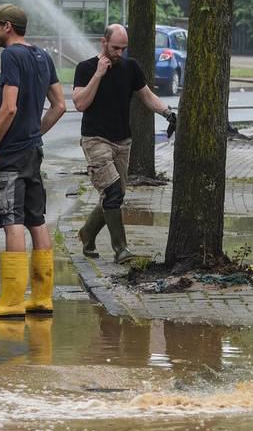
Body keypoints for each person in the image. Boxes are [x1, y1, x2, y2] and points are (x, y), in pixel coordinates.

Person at [0, 4, 66, 319]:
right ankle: (42, 297)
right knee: (37, 219)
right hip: (33, 150)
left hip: (11, 153)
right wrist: (36, 132)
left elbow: (9, 108)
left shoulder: (11, 56)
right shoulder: (43, 55)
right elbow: (59, 105)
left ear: (7, 26)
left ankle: (12, 299)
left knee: (11, 220)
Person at [72, 24, 176, 262]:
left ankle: (87, 233)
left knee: (115, 195)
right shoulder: (86, 68)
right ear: (103, 42)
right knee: (111, 192)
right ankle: (120, 249)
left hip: (122, 141)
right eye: (115, 48)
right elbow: (80, 104)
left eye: (123, 48)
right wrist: (98, 74)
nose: (119, 53)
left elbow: (147, 96)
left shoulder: (131, 68)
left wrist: (168, 113)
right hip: (95, 139)